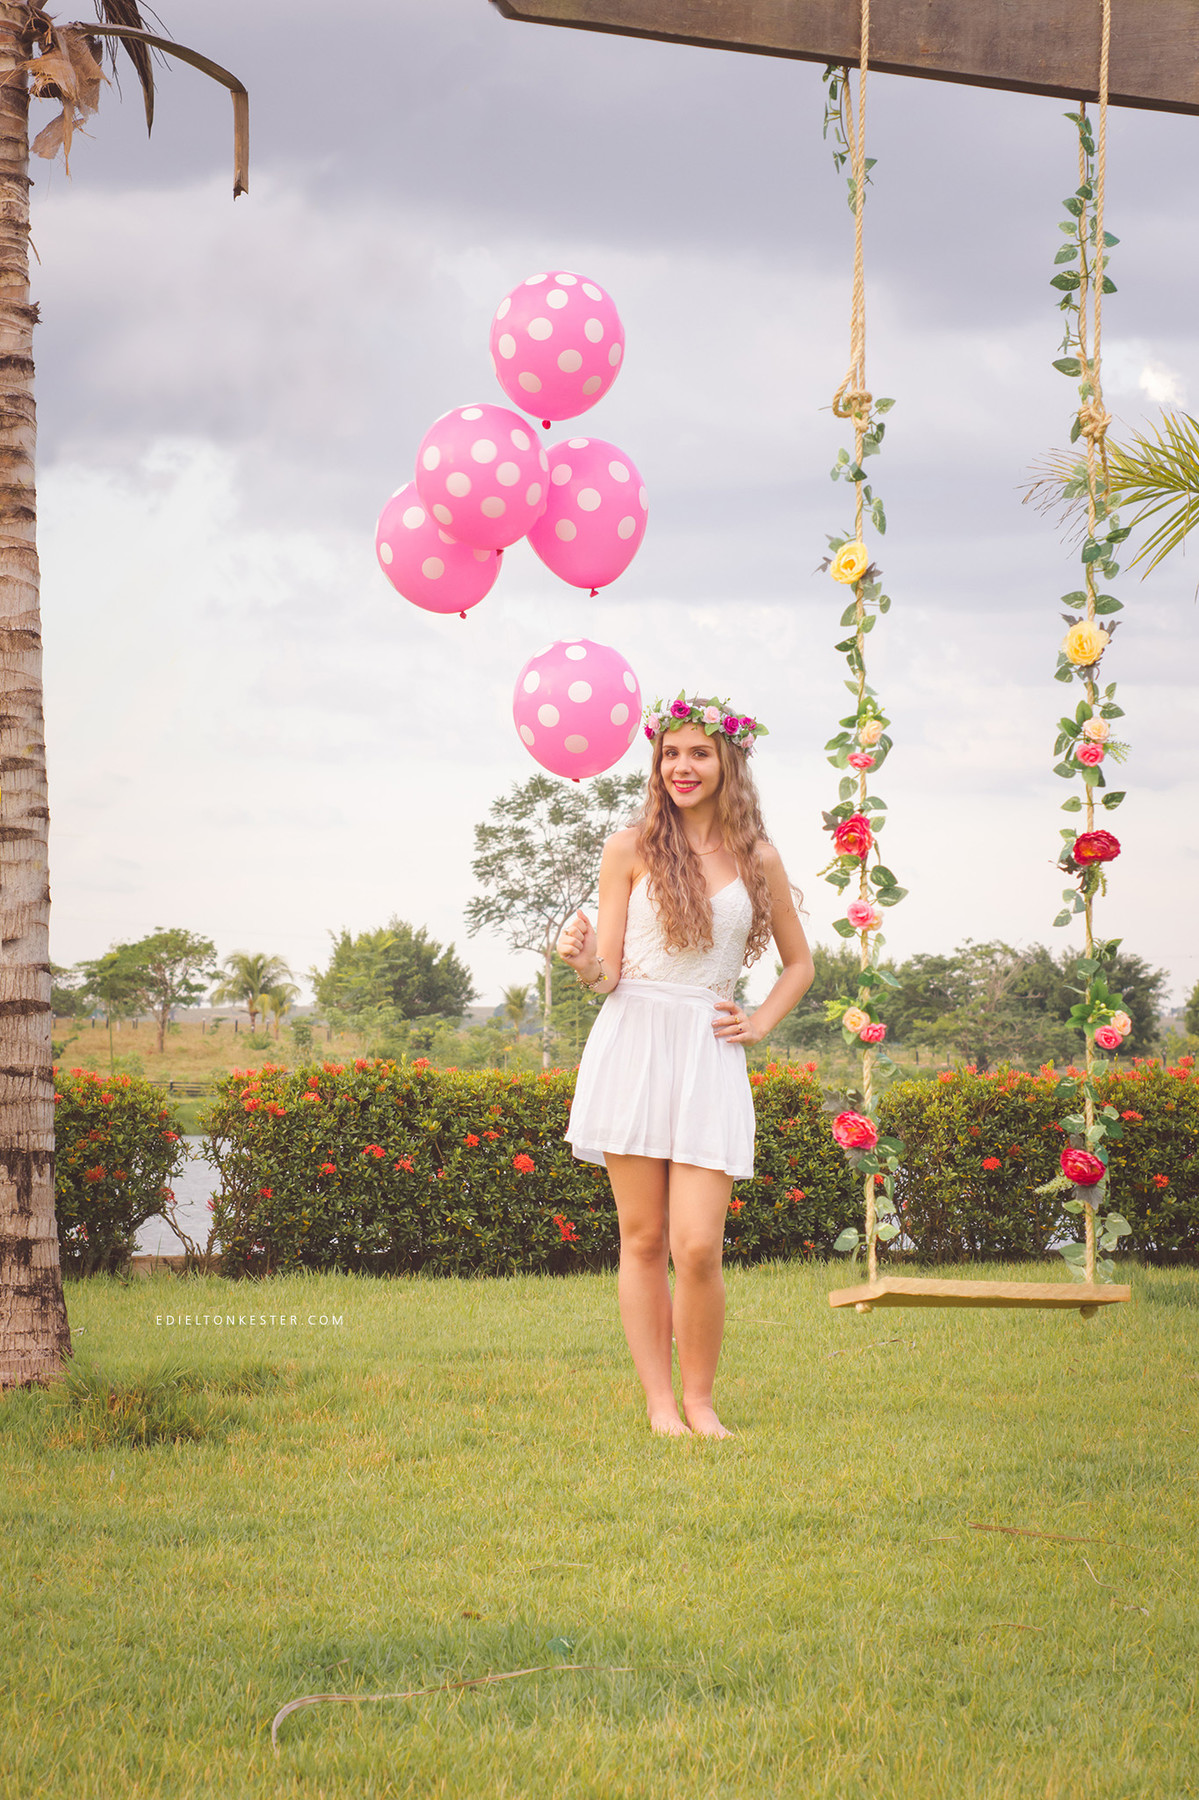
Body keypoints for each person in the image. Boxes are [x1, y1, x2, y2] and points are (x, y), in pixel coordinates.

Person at [557, 695, 814, 1438]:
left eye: (698, 752)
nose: (682, 766)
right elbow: (606, 974)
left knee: (697, 1245)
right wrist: (581, 963)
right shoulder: (628, 847)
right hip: (632, 1043)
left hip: (708, 1050)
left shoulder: (757, 856)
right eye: (670, 754)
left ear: (727, 761)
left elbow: (798, 965)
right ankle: (661, 1406)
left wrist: (759, 1020)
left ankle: (700, 1400)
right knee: (640, 1239)